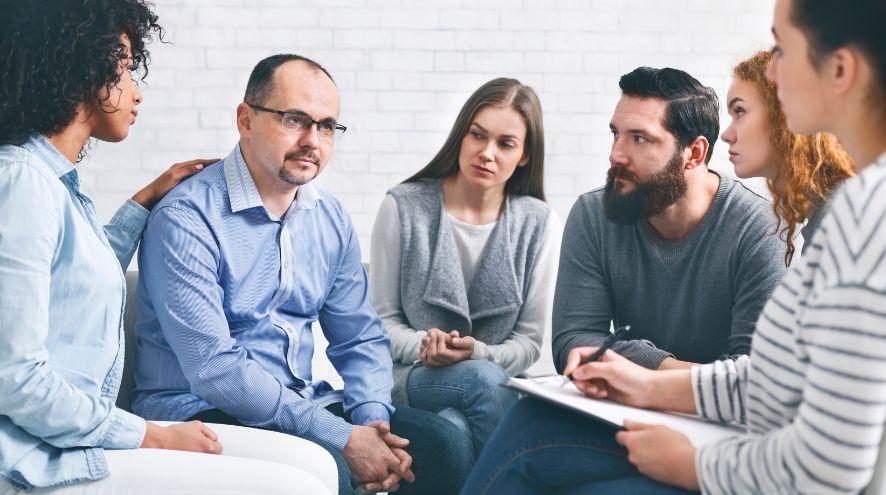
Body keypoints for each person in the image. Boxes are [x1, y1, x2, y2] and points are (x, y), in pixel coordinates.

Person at [460, 0, 886, 492]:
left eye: (781, 47)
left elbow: (826, 465)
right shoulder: (842, 213)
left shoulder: (862, 218)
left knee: (553, 452)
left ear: (839, 69)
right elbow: (775, 382)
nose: (770, 67)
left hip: (739, 458)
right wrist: (647, 385)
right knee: (535, 424)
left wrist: (693, 464)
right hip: (725, 436)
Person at [0, 1, 329, 493]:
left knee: (317, 465)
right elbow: (14, 379)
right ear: (81, 67)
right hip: (34, 457)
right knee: (295, 487)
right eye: (127, 69)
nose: (137, 93)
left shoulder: (55, 183)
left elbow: (76, 291)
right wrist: (149, 434)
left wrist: (141, 203)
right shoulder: (22, 181)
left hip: (71, 439)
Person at [132, 53, 473, 495]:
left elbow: (360, 336)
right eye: (295, 120)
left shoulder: (328, 217)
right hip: (199, 412)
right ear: (246, 120)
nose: (313, 140)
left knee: (445, 444)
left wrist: (372, 425)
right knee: (328, 465)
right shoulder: (186, 216)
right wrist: (342, 437)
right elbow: (214, 369)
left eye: (327, 126)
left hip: (301, 402)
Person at [370, 78, 562, 456]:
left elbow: (527, 343)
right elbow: (380, 324)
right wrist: (426, 346)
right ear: (462, 135)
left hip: (497, 382)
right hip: (411, 375)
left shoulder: (540, 223)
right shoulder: (403, 207)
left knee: (453, 430)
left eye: (505, 144)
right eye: (477, 135)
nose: (486, 153)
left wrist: (477, 352)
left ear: (524, 155)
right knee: (481, 383)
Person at [552, 66, 786, 374]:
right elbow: (573, 340)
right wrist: (658, 366)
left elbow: (755, 376)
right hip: (617, 400)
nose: (615, 155)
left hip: (712, 418)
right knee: (528, 417)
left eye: (640, 138)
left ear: (695, 153)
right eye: (616, 134)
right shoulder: (593, 215)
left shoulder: (762, 231)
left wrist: (633, 367)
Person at [721, 49, 853, 266]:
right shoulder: (832, 208)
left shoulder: (843, 215)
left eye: (740, 111)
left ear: (784, 115)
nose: (726, 135)